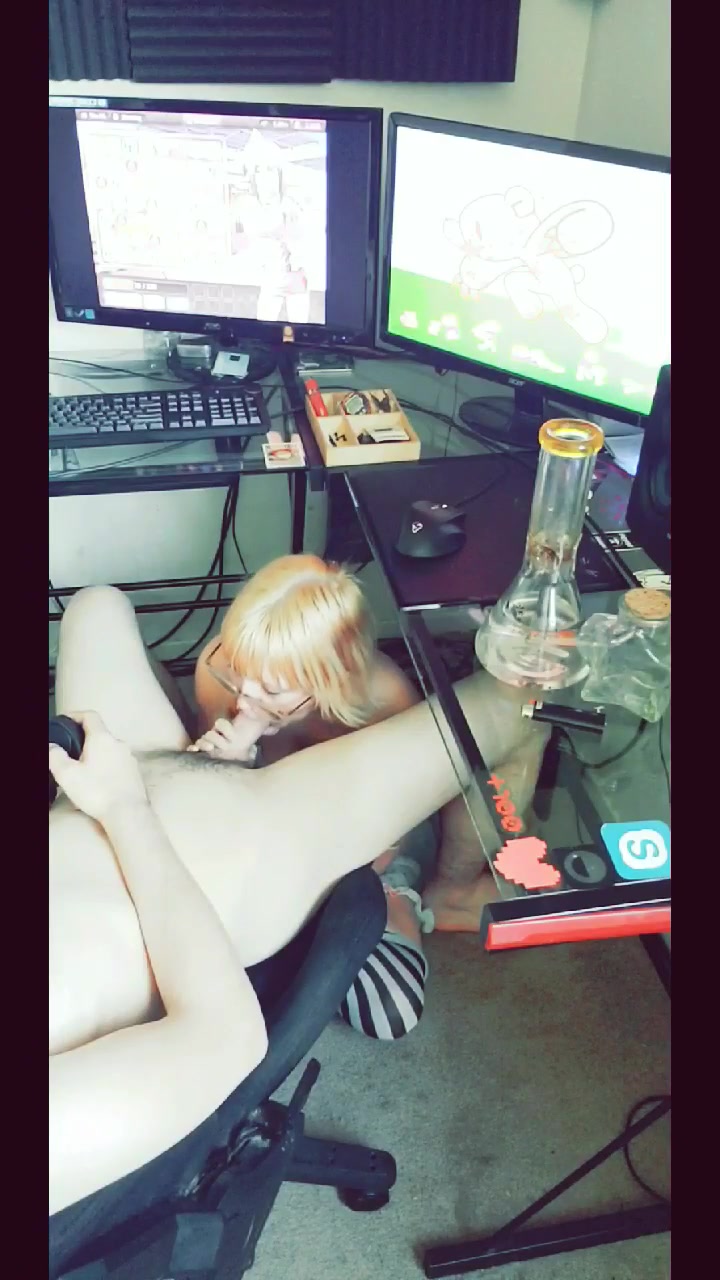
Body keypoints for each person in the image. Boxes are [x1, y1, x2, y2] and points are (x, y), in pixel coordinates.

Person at [189, 555, 501, 1038]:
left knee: (391, 1010)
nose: (245, 694)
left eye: (270, 687)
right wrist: (231, 765)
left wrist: (308, 884)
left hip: (364, 847)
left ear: (330, 679)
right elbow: (216, 815)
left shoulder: (386, 699)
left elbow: (389, 836)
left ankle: (389, 913)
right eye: (239, 668)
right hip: (268, 832)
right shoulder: (217, 671)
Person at [49, 710, 268, 1218]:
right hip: (161, 856)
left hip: (94, 816)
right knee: (450, 725)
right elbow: (229, 1038)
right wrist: (124, 806)